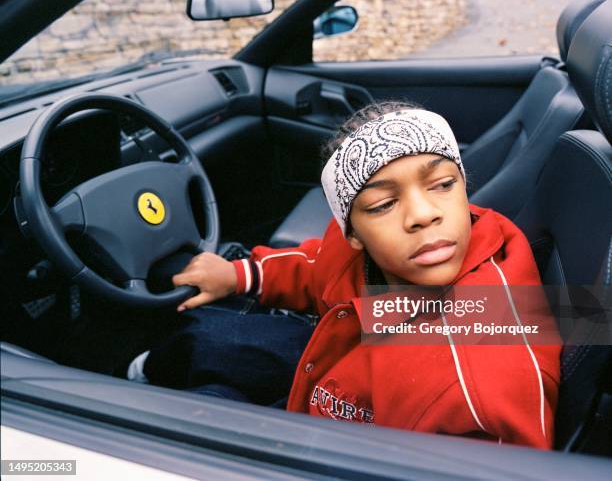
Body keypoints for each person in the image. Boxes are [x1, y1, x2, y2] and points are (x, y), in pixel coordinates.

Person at [128, 101, 561, 449]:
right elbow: (317, 266)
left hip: (356, 446)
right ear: (351, 231)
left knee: (189, 428)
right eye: (382, 205)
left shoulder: (474, 389)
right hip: (343, 368)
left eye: (443, 185)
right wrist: (240, 274)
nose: (425, 215)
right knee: (208, 334)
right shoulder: (362, 251)